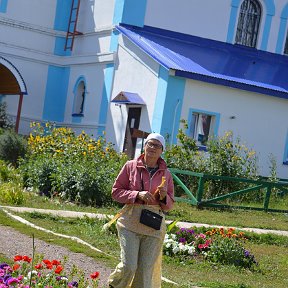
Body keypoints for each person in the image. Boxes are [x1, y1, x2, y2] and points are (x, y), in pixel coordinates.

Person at [108, 133, 174, 288]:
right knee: (129, 266)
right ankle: (115, 284)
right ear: (144, 146)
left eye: (157, 145)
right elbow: (116, 192)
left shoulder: (166, 174)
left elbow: (169, 205)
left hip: (153, 226)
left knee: (145, 270)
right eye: (150, 144)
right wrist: (137, 194)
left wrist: (164, 197)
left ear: (162, 150)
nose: (152, 148)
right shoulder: (130, 166)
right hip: (130, 222)